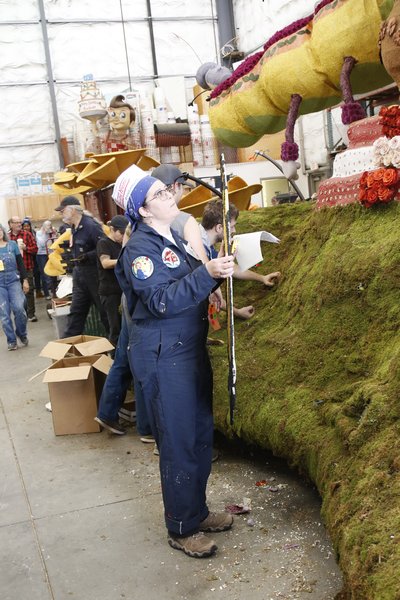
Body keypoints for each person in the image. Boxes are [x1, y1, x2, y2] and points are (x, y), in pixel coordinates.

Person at [113, 164, 235, 559]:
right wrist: (206, 275)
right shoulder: (139, 249)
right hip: (165, 354)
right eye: (159, 194)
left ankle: (197, 511)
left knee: (198, 436)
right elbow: (160, 300)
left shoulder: (171, 237)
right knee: (179, 441)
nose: (170, 195)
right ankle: (181, 527)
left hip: (188, 348)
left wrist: (215, 275)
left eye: (167, 191)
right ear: (143, 210)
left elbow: (187, 282)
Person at [54, 196, 109, 337]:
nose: (61, 213)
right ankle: (68, 344)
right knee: (76, 312)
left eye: (63, 210)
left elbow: (104, 248)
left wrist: (87, 256)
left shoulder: (91, 226)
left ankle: (116, 345)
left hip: (94, 275)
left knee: (105, 312)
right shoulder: (74, 227)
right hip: (80, 274)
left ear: (72, 210)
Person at [200, 199, 281, 288]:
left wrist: (262, 278)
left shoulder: (207, 246)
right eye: (232, 227)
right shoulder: (196, 252)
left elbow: (233, 268)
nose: (234, 230)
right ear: (219, 228)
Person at [96, 214, 128, 347]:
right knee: (116, 328)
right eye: (121, 233)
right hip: (110, 293)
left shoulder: (123, 243)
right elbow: (105, 263)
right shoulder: (104, 243)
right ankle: (115, 356)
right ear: (112, 230)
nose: (123, 236)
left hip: (123, 290)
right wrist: (125, 260)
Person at [0, 224, 29, 350]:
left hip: (13, 281)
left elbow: (21, 264)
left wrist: (25, 280)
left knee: (19, 309)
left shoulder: (12, 245)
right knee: (4, 315)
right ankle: (11, 341)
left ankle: (21, 334)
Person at [8, 216, 38, 322]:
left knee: (29, 291)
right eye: (16, 222)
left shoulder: (27, 234)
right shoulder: (7, 237)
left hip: (27, 267)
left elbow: (35, 249)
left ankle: (31, 314)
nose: (19, 224)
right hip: (12, 270)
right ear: (10, 224)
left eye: (19, 222)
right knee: (16, 293)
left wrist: (26, 248)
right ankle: (22, 314)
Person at [36, 220, 57, 300]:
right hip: (41, 255)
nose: (49, 227)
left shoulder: (51, 232)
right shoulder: (39, 233)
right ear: (43, 226)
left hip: (51, 254)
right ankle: (46, 293)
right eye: (47, 226)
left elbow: (55, 242)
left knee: (54, 273)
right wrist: (44, 233)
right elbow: (41, 244)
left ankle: (54, 292)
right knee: (44, 274)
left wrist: (54, 233)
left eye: (50, 225)